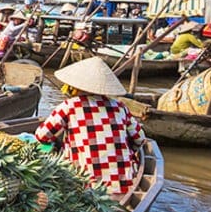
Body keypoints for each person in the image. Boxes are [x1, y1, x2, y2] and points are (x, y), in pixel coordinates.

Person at [35, 57, 147, 197]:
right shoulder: (119, 107)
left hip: (84, 188)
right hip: (122, 187)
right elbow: (140, 139)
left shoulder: (70, 106)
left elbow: (41, 135)